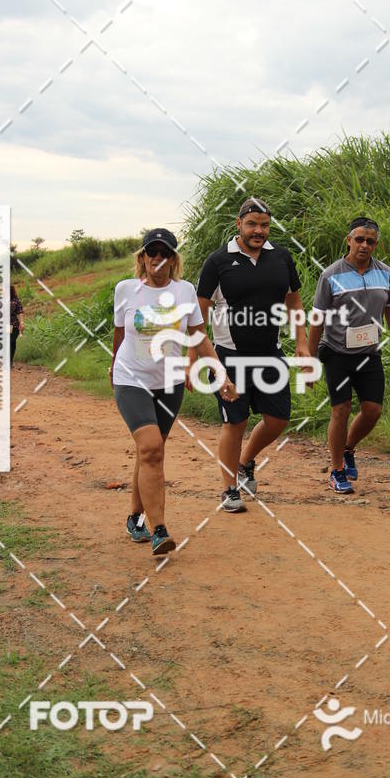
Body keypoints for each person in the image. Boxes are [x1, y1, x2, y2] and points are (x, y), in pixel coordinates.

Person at [110, 227, 238, 556]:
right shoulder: (126, 290)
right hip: (131, 379)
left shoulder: (185, 291)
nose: (157, 257)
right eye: (151, 252)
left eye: (164, 252)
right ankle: (159, 531)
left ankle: (135, 518)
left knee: (149, 451)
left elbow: (198, 336)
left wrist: (219, 371)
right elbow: (119, 334)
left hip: (169, 383)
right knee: (152, 448)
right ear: (142, 257)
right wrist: (113, 367)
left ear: (173, 259)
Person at [191, 198, 311, 513]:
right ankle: (229, 489)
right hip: (230, 357)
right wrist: (197, 359)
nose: (259, 231)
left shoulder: (281, 258)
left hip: (271, 355)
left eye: (265, 225)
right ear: (239, 224)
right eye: (252, 224)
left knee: (278, 419)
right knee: (236, 421)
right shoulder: (217, 262)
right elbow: (197, 317)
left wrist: (301, 340)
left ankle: (245, 462)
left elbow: (294, 302)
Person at [308, 216, 390, 494]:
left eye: (371, 241)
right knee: (340, 410)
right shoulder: (331, 275)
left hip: (369, 353)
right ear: (349, 240)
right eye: (360, 239)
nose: (365, 245)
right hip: (337, 352)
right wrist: (309, 361)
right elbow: (317, 320)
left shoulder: (384, 273)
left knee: (373, 411)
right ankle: (337, 470)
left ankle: (348, 448)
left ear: (376, 244)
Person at [10, 285, 24, 368]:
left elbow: (20, 311)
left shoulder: (16, 300)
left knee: (11, 341)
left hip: (13, 324)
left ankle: (10, 360)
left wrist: (22, 322)